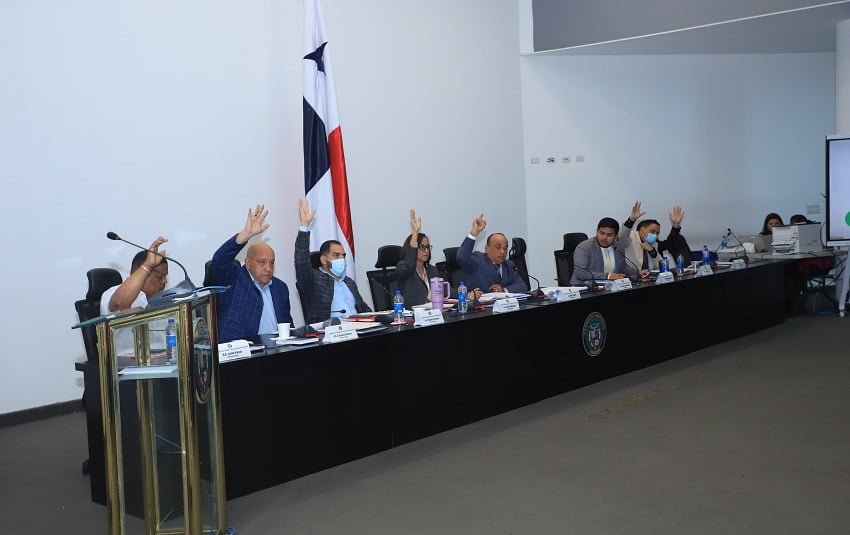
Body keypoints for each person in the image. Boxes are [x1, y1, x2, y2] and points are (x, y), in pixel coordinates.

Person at [211, 204, 293, 342]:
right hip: (242, 354)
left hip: (278, 351)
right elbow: (219, 260)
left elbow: (287, 326)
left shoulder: (280, 288)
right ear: (248, 263)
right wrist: (245, 235)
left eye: (271, 263)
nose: (268, 268)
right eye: (262, 262)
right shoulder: (234, 279)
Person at [295, 198, 371, 323]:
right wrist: (304, 227)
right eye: (336, 255)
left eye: (343, 256)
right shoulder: (314, 280)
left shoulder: (349, 282)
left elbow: (365, 310)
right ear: (323, 259)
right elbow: (301, 262)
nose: (341, 259)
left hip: (359, 331)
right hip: (333, 335)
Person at [100, 236, 169, 355]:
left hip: (158, 359)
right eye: (159, 277)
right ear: (143, 274)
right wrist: (148, 265)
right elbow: (118, 305)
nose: (164, 282)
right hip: (128, 364)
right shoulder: (113, 292)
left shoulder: (156, 299)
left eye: (165, 277)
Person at [456, 214, 529, 294]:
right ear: (487, 249)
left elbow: (522, 286)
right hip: (479, 304)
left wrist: (503, 290)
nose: (502, 252)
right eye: (498, 247)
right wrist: (475, 232)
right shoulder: (477, 260)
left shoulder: (509, 265)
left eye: (505, 248)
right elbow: (461, 256)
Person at [618, 201, 690, 271]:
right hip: (632, 278)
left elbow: (661, 265)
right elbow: (622, 236)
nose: (655, 235)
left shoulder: (655, 244)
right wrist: (631, 219)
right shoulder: (630, 237)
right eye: (652, 231)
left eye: (657, 233)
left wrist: (652, 251)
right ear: (642, 230)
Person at [570, 217, 642, 285]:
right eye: (602, 233)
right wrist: (608, 276)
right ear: (597, 232)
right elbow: (580, 273)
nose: (604, 237)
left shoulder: (618, 247)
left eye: (609, 235)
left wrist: (638, 272)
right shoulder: (584, 247)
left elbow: (623, 268)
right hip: (585, 288)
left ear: (616, 236)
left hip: (610, 287)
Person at [395, 209, 441, 306]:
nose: (426, 250)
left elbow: (444, 289)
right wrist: (415, 232)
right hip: (413, 316)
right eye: (422, 247)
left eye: (428, 247)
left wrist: (466, 294)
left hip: (433, 315)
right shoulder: (402, 268)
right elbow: (409, 266)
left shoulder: (432, 270)